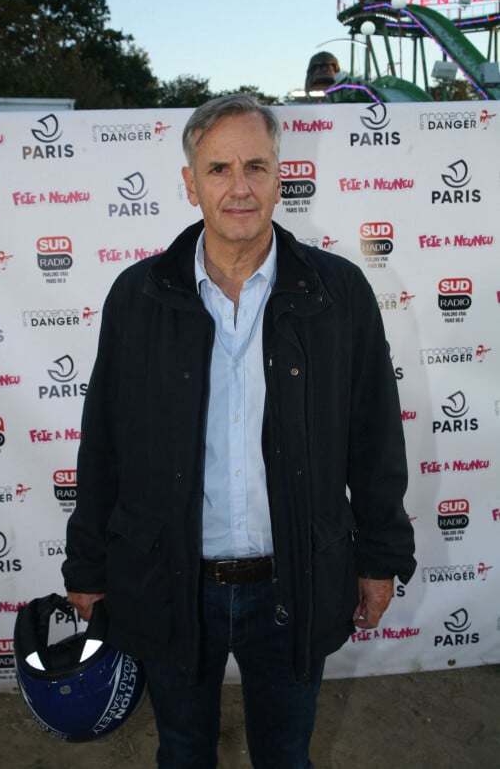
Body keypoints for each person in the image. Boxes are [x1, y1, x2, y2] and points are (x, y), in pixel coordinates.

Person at [63, 93, 416, 768]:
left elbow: (375, 440)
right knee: (185, 753)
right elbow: (101, 444)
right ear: (191, 184)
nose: (240, 187)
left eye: (256, 165)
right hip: (169, 579)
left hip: (295, 581)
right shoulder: (136, 296)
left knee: (285, 756)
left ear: (282, 174)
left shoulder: (337, 293)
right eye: (219, 169)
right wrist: (87, 565)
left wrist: (379, 557)